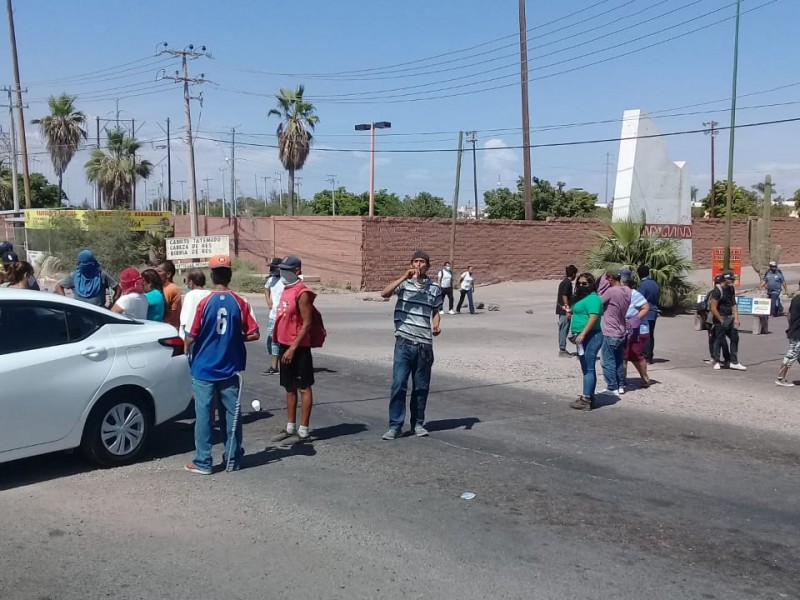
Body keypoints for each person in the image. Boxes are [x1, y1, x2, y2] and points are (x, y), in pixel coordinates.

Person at [185, 255, 260, 475]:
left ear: (212, 276)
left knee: (205, 415)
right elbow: (254, 333)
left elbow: (191, 335)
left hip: (204, 367)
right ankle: (233, 458)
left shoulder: (203, 302)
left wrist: (187, 348)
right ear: (230, 275)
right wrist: (234, 338)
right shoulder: (240, 301)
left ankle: (203, 461)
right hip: (230, 366)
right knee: (231, 414)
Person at [380, 250, 442, 440]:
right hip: (404, 343)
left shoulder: (434, 288)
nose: (418, 264)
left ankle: (418, 423)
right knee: (399, 384)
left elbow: (435, 310)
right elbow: (385, 293)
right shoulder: (404, 284)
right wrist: (403, 277)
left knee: (421, 387)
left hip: (424, 344)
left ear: (428, 266)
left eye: (422, 261)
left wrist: (437, 324)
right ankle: (395, 425)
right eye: (415, 261)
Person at [271, 255, 318, 443]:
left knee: (303, 387)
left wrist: (292, 348)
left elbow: (307, 323)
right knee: (289, 387)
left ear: (296, 271)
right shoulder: (286, 289)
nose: (281, 272)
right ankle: (290, 427)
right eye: (280, 269)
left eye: (285, 269)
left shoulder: (302, 292)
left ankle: (304, 430)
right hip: (284, 344)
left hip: (298, 347)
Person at [568, 273, 604, 411]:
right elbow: (580, 312)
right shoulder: (583, 298)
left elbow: (593, 317)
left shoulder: (593, 298)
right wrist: (570, 312)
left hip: (591, 336)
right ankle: (587, 394)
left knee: (589, 367)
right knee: (585, 367)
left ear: (591, 284)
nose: (581, 286)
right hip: (581, 337)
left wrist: (583, 334)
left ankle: (587, 398)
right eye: (579, 283)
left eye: (585, 283)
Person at [599, 266, 631, 397]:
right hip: (622, 330)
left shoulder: (611, 291)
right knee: (618, 360)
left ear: (611, 278)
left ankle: (612, 387)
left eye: (607, 278)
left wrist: (602, 287)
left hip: (610, 331)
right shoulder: (628, 290)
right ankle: (620, 385)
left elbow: (598, 302)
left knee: (608, 361)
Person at [709, 271, 746, 371]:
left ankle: (734, 362)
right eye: (730, 279)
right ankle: (717, 361)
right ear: (724, 280)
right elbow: (713, 307)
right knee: (719, 340)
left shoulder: (731, 289)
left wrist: (736, 318)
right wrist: (721, 320)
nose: (732, 281)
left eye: (733, 279)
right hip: (720, 319)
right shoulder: (717, 291)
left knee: (735, 338)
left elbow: (733, 303)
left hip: (730, 318)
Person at [55, 249, 119, 307]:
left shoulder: (101, 275)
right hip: (78, 314)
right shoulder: (74, 276)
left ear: (93, 263)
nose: (86, 267)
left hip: (98, 314)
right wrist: (65, 303)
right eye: (83, 264)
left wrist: (111, 306)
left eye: (88, 264)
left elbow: (118, 289)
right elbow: (58, 286)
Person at [621, 269, 651, 390]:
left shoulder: (635, 294)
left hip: (638, 330)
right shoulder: (619, 294)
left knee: (635, 355)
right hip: (623, 330)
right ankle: (622, 379)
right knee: (623, 355)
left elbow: (646, 307)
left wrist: (635, 319)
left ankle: (645, 378)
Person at [776, 281, 800, 387]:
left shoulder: (795, 299)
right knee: (791, 355)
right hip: (797, 333)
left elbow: (789, 315)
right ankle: (781, 378)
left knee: (797, 355)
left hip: (794, 331)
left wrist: (790, 327)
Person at [262, 257, 284, 376]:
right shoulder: (271, 280)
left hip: (282, 315)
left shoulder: (285, 280)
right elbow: (266, 289)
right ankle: (276, 366)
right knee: (271, 340)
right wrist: (268, 302)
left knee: (278, 341)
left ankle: (275, 366)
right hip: (273, 315)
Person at [636, 265, 660, 363]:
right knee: (651, 335)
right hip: (653, 311)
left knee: (645, 334)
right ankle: (649, 356)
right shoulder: (655, 284)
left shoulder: (643, 285)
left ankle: (645, 356)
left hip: (645, 312)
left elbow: (639, 299)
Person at [179, 269, 211, 339]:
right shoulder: (210, 294)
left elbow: (185, 320)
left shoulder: (190, 295)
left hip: (192, 337)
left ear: (191, 282)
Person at [556, 265, 578, 357]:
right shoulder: (567, 283)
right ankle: (562, 350)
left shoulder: (564, 282)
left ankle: (563, 349)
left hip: (562, 309)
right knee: (563, 329)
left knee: (563, 329)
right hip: (564, 310)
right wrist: (568, 310)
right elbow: (564, 295)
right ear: (573, 274)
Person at [156, 260, 182, 330]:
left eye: (159, 272)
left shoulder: (171, 288)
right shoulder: (162, 287)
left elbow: (160, 306)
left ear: (168, 274)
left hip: (170, 328)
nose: (156, 274)